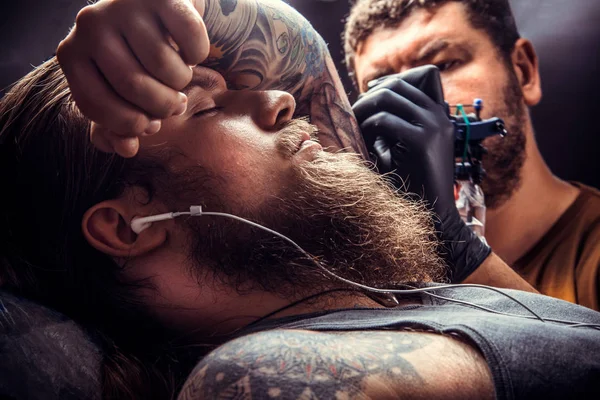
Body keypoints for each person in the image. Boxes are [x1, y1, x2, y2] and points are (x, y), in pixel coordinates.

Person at [1, 0, 599, 398]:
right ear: (127, 227)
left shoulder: (416, 296)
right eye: (207, 106)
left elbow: (290, 38)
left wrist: (165, 7)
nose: (279, 101)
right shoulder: (264, 376)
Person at [344, 0, 600, 310]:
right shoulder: (371, 285)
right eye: (382, 87)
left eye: (444, 64)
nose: (413, 105)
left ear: (523, 71)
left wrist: (460, 252)